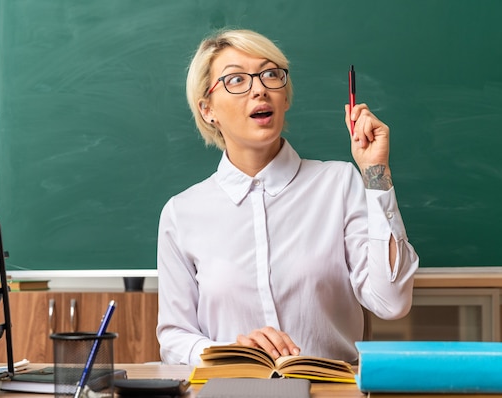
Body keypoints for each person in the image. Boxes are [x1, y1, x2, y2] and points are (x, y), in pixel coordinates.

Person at [156, 28, 419, 366]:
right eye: (236, 80)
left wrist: (376, 173)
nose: (261, 89)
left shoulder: (338, 183)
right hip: (231, 390)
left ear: (286, 97)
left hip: (328, 390)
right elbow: (174, 338)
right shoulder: (182, 213)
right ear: (208, 109)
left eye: (270, 74)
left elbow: (392, 302)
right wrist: (229, 353)